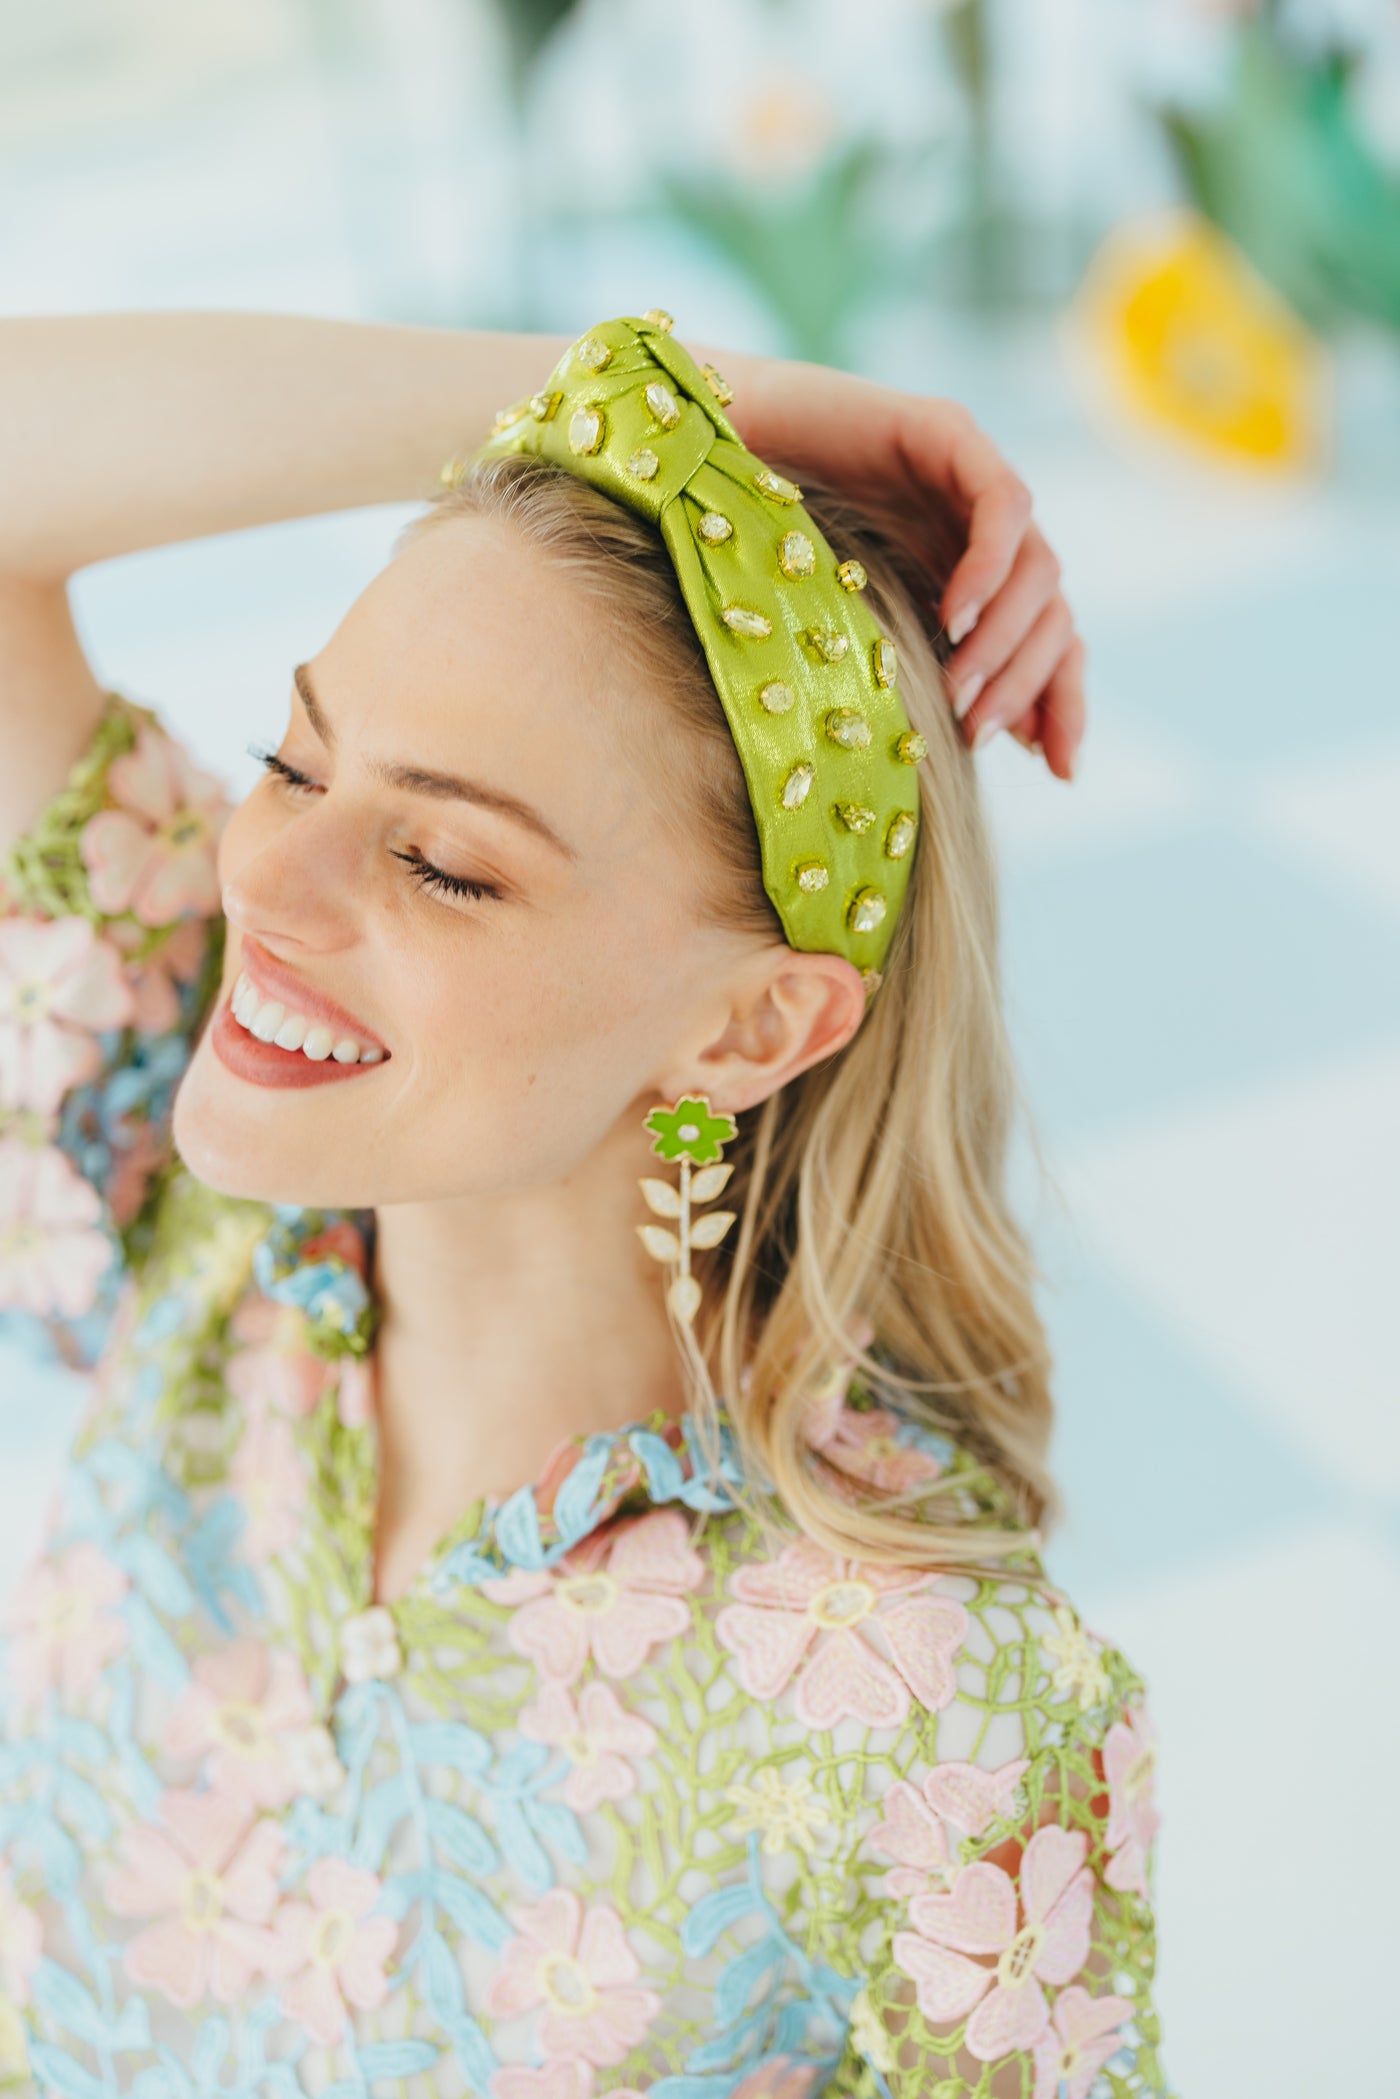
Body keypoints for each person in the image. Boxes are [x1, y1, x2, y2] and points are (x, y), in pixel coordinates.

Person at [0, 308, 1167, 2098]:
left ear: (751, 1024)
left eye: (443, 863)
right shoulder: (174, 1189)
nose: (268, 874)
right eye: (297, 758)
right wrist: (652, 398)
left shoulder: (928, 1704)